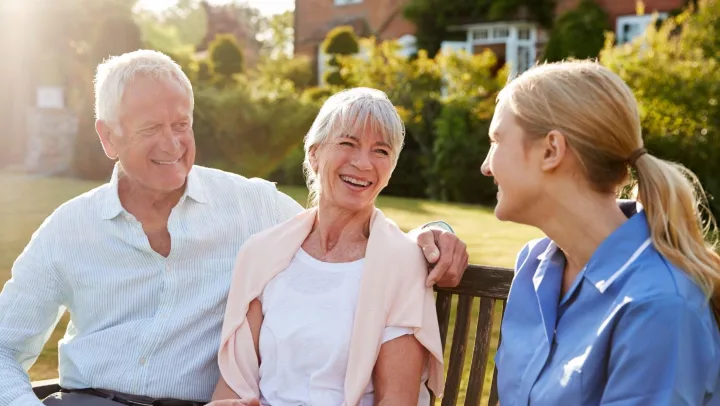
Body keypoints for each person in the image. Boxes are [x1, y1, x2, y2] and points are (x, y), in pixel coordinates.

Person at [0, 50, 469, 406]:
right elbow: (4, 346)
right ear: (108, 136)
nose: (172, 144)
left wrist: (435, 228)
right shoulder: (69, 228)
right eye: (150, 129)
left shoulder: (251, 206)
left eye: (181, 124)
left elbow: (343, 229)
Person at [483, 60, 720, 405]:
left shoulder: (660, 306)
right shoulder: (534, 264)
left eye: (496, 140)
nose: (486, 166)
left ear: (551, 150)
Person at [208, 88, 445, 406]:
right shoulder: (262, 254)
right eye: (348, 143)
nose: (363, 163)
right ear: (314, 154)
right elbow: (233, 386)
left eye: (381, 151)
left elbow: (396, 399)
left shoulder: (401, 263)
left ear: (391, 168)